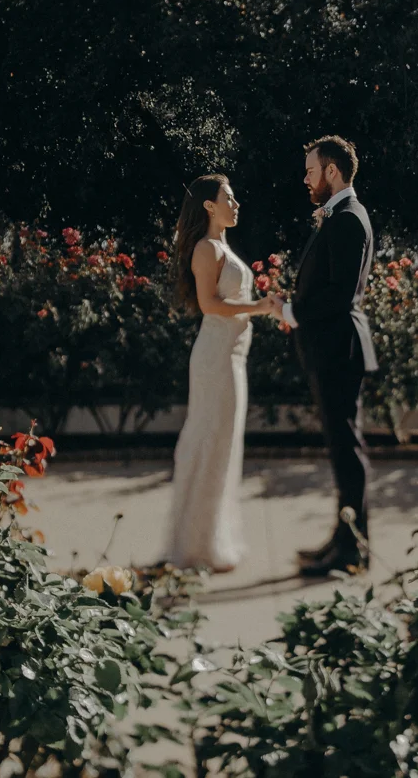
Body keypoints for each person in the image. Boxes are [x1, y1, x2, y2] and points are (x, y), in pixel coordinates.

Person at [163, 173, 279, 572]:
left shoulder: (223, 247)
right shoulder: (205, 249)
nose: (236, 203)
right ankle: (196, 546)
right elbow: (210, 306)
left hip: (234, 356)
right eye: (228, 198)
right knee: (210, 441)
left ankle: (213, 539)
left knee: (225, 444)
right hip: (215, 358)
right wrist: (259, 308)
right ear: (209, 206)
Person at [278, 135, 378, 575]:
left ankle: (352, 549)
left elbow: (339, 296)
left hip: (339, 349)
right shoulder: (340, 217)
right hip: (333, 348)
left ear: (332, 171)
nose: (306, 178)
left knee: (347, 450)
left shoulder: (348, 219)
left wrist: (290, 311)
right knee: (341, 449)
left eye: (311, 170)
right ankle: (341, 540)